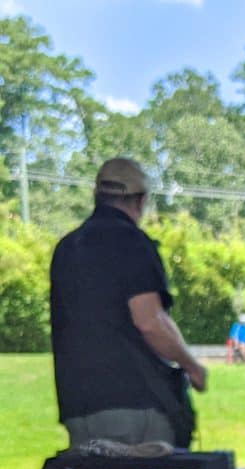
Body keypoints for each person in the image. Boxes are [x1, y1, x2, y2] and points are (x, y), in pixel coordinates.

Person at [49, 157, 207, 448]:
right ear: (141, 200)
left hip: (78, 407)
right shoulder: (132, 242)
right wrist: (192, 366)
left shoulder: (67, 248)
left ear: (97, 195)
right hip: (136, 405)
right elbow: (150, 321)